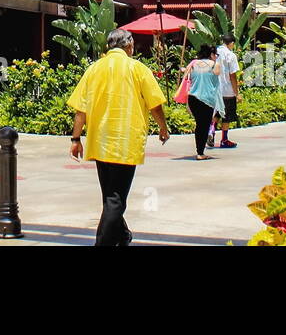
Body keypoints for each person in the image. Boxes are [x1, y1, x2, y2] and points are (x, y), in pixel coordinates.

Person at [68, 28, 169, 247]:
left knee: (110, 197)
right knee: (116, 200)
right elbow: (155, 104)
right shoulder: (138, 68)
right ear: (129, 46)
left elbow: (80, 110)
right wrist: (163, 128)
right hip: (126, 141)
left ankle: (122, 235)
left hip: (100, 142)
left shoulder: (93, 69)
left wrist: (75, 140)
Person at [182, 45, 222, 158]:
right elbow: (218, 74)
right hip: (206, 99)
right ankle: (200, 153)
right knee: (204, 125)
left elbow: (185, 77)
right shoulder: (215, 65)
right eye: (216, 55)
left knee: (200, 124)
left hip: (193, 98)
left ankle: (199, 150)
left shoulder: (193, 64)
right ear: (211, 54)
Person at [213, 34, 240, 148]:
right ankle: (224, 139)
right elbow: (232, 75)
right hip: (227, 90)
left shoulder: (214, 53)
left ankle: (211, 132)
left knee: (217, 113)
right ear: (232, 43)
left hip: (214, 88)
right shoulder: (231, 55)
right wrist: (237, 93)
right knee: (226, 116)